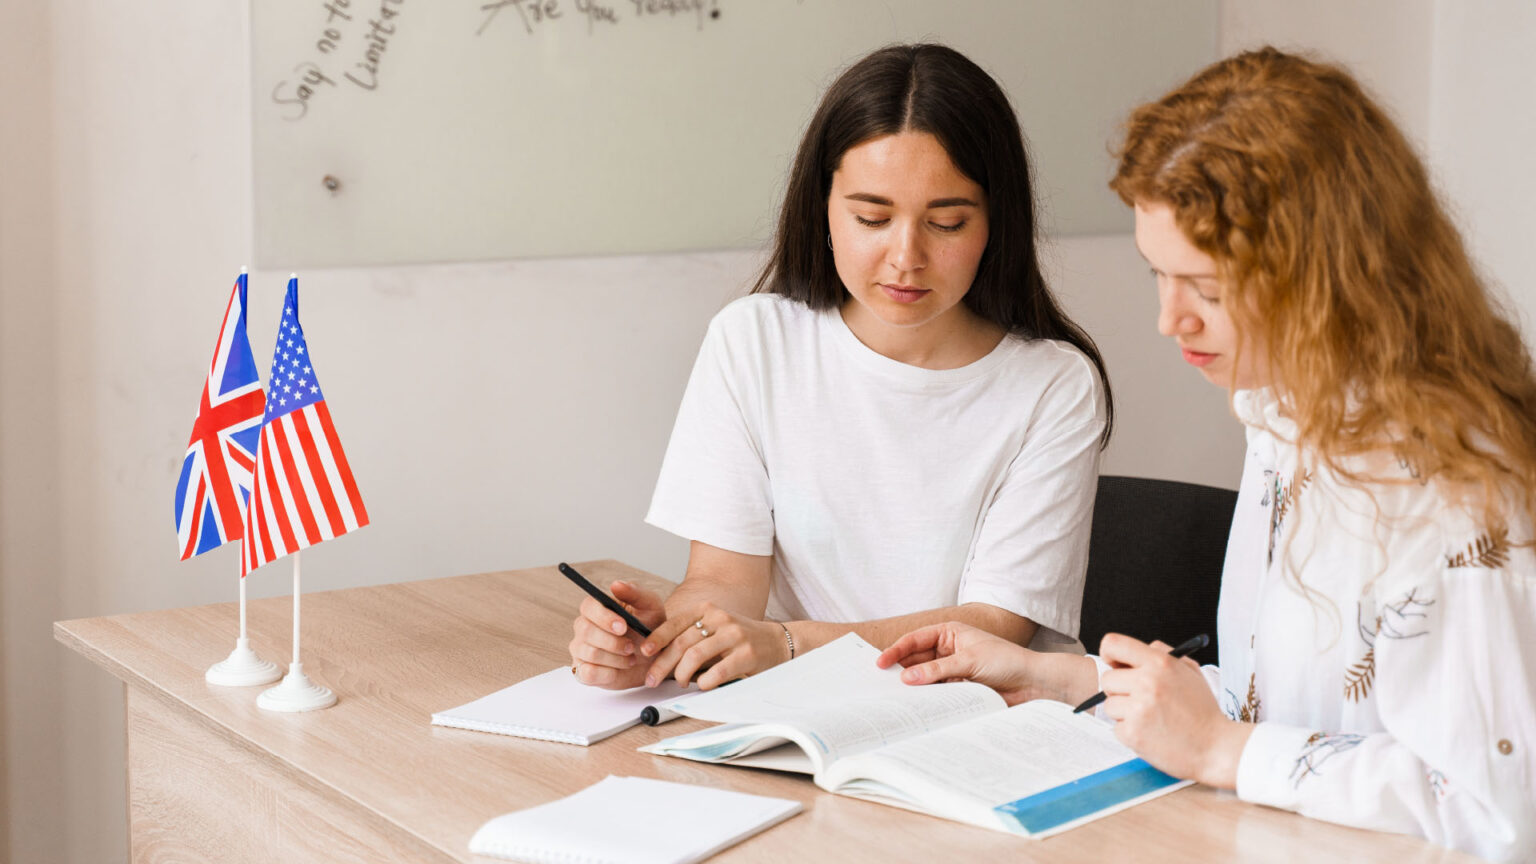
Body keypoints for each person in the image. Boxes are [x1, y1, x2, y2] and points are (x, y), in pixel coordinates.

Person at [878, 48, 1536, 860]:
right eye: (1160, 274)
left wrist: (1219, 750)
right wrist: (1053, 677)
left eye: (1210, 291)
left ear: (1331, 278)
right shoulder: (1284, 418)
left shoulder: (1463, 490)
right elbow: (1293, 713)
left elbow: (1497, 812)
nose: (1171, 321)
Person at [568, 43, 1113, 692]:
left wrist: (790, 644)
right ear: (823, 208)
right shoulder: (754, 343)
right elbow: (725, 583)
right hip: (801, 713)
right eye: (871, 217)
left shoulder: (1053, 385)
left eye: (946, 222)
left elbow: (991, 628)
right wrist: (663, 639)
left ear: (996, 223)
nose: (904, 256)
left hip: (981, 718)